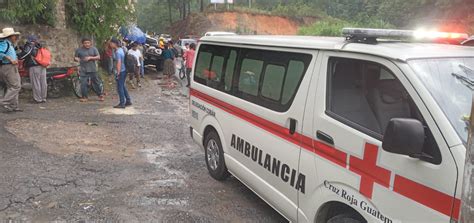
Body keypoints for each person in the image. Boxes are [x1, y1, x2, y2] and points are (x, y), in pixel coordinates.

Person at [18, 35, 47, 103]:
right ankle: (43, 98)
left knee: (36, 82)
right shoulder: (40, 46)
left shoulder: (30, 45)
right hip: (42, 65)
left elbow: (26, 53)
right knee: (43, 82)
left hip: (34, 66)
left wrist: (19, 56)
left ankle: (37, 99)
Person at [74, 37, 104, 102]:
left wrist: (90, 58)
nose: (87, 44)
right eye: (85, 43)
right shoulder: (79, 50)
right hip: (83, 69)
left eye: (88, 43)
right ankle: (84, 97)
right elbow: (75, 57)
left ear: (90, 43)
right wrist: (76, 59)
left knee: (96, 82)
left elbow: (98, 57)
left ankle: (100, 95)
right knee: (83, 83)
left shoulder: (94, 49)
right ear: (82, 44)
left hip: (92, 69)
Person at [0, 28, 22, 112]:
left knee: (12, 86)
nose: (15, 37)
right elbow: (0, 53)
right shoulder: (4, 43)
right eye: (14, 36)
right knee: (16, 86)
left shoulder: (9, 44)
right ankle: (4, 102)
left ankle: (14, 106)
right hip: (8, 67)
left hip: (10, 67)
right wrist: (10, 59)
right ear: (10, 36)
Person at [110, 37, 131, 109]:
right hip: (124, 70)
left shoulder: (118, 52)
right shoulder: (121, 50)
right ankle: (128, 100)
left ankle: (122, 103)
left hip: (121, 71)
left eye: (111, 43)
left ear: (114, 44)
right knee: (123, 86)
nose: (110, 44)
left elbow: (118, 63)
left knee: (120, 87)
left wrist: (118, 73)